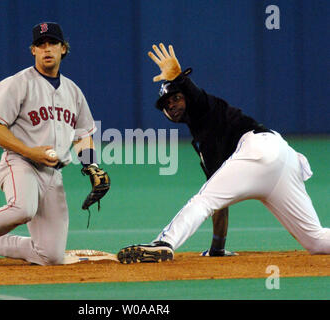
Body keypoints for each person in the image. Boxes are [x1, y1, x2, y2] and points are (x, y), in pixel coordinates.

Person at [117, 43, 330, 263]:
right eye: (167, 104)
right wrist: (217, 249)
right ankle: (185, 246)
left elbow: (197, 96)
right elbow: (220, 203)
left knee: (202, 201)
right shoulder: (203, 139)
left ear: (187, 98)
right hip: (283, 159)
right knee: (316, 241)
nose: (172, 105)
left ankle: (164, 243)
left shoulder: (204, 109)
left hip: (259, 149)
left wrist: (180, 79)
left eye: (177, 98)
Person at [0, 22, 109, 266]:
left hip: (53, 174)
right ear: (33, 51)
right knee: (22, 208)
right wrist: (30, 151)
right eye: (41, 44)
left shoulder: (74, 92)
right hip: (20, 163)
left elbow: (83, 134)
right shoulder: (17, 83)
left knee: (50, 256)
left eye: (52, 44)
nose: (46, 49)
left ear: (63, 49)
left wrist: (91, 166)